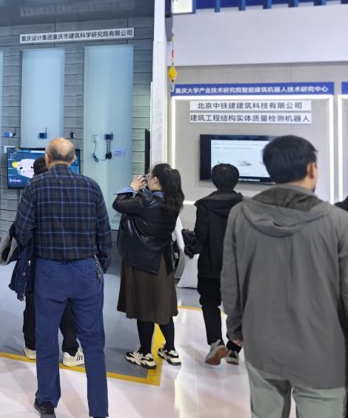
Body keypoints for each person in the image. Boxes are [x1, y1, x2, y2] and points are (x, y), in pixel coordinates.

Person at [222, 135, 348, 416]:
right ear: (312, 169)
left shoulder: (240, 215)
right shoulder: (338, 222)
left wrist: (236, 329)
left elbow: (231, 281)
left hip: (261, 344)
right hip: (322, 354)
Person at [14, 138, 111, 418]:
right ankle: (99, 410)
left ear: (47, 158)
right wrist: (99, 266)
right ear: (73, 159)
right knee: (93, 342)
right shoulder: (92, 187)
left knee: (46, 338)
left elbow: (22, 232)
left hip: (49, 271)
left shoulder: (35, 187)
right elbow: (104, 234)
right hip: (86, 271)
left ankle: (46, 401)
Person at [114, 163, 184, 370]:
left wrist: (132, 187)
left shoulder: (146, 201)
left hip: (144, 261)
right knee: (162, 306)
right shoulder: (173, 202)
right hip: (163, 261)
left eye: (149, 175)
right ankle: (170, 349)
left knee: (145, 308)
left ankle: (145, 354)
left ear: (155, 180)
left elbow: (118, 204)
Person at [20, 156, 85, 368]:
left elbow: (22, 229)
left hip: (36, 258)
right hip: (67, 260)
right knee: (65, 304)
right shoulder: (76, 188)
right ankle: (70, 351)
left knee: (32, 302)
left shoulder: (31, 189)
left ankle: (32, 347)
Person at [184, 163, 243, 366]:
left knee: (209, 302)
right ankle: (234, 348)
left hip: (211, 264)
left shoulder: (205, 205)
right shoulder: (245, 206)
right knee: (236, 306)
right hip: (238, 266)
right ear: (236, 180)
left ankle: (216, 342)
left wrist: (190, 248)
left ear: (214, 180)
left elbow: (201, 235)